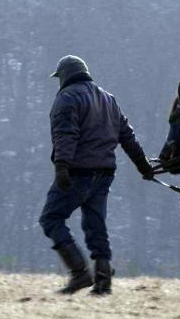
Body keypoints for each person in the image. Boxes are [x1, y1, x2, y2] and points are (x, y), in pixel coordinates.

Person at [38, 55, 155, 295]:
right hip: (104, 173)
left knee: (51, 218)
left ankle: (80, 273)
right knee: (95, 224)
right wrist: (143, 166)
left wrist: (62, 166)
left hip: (76, 172)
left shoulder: (67, 98)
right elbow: (127, 137)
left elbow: (65, 134)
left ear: (65, 75)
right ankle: (103, 281)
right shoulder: (108, 99)